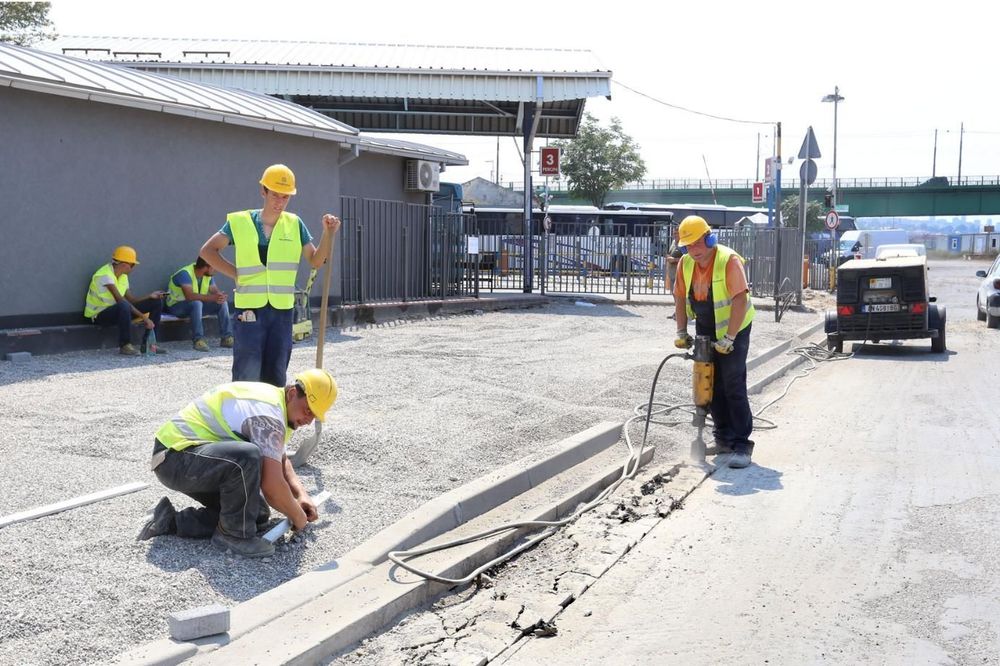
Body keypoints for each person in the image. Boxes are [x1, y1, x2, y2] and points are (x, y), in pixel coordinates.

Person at [136, 368, 338, 558]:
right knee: (247, 457)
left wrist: (301, 496)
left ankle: (169, 521)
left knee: (254, 515)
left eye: (314, 415)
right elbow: (272, 487)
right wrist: (298, 517)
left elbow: (280, 459)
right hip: (173, 457)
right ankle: (232, 536)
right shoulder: (267, 415)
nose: (308, 420)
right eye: (307, 411)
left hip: (191, 458)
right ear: (293, 393)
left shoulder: (279, 406)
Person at [200, 164, 341, 387]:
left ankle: (272, 420)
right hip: (249, 310)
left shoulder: (295, 224)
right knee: (247, 373)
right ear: (263, 191)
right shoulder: (239, 222)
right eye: (275, 195)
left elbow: (315, 260)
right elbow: (207, 251)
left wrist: (327, 233)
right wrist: (236, 273)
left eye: (285, 197)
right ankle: (244, 420)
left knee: (276, 375)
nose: (280, 202)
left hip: (282, 312)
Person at [672, 215, 756, 468]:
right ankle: (723, 438)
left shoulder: (728, 261)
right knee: (710, 383)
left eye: (698, 243)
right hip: (706, 325)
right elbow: (678, 298)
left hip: (735, 326)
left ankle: (742, 445)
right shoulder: (685, 264)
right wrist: (681, 331)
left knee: (732, 382)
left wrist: (729, 338)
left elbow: (740, 300)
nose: (693, 250)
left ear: (710, 238)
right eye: (688, 246)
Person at [83, 245, 167, 356]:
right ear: (124, 265)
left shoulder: (123, 276)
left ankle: (150, 345)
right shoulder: (105, 275)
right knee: (123, 305)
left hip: (120, 311)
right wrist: (144, 318)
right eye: (132, 265)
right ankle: (125, 345)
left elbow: (131, 300)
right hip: (99, 316)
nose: (133, 268)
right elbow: (121, 301)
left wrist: (150, 296)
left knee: (156, 302)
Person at [164, 257, 234, 352]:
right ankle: (198, 340)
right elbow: (190, 296)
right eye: (215, 267)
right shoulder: (185, 274)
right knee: (196, 303)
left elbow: (214, 290)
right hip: (176, 307)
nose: (217, 270)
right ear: (207, 267)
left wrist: (220, 296)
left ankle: (226, 337)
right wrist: (213, 298)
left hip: (195, 306)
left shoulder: (208, 275)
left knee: (221, 303)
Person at [664, 225, 682, 306]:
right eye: (673, 233)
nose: (674, 235)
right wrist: (668, 257)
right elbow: (668, 253)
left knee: (679, 294)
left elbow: (687, 258)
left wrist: (674, 260)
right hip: (671, 272)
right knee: (674, 293)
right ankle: (676, 311)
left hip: (679, 273)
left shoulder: (683, 244)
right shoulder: (673, 242)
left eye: (676, 233)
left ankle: (680, 313)